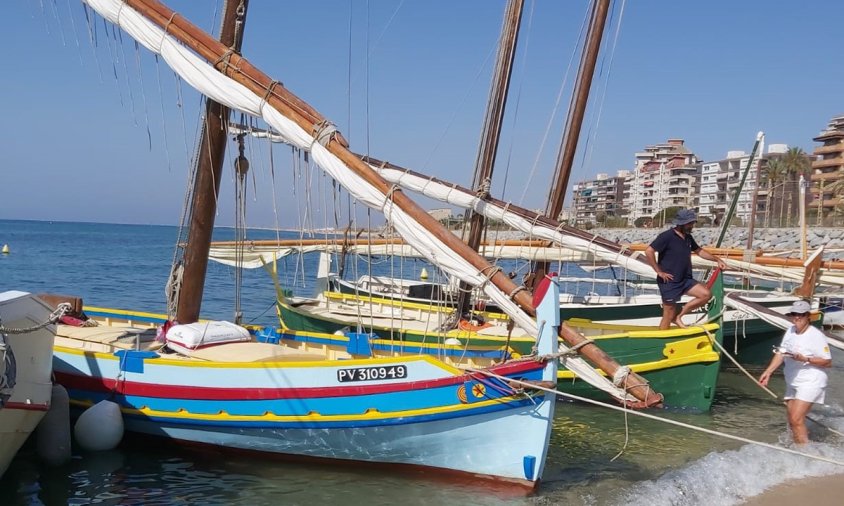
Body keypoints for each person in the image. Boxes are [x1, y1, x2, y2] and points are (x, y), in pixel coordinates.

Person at [759, 300, 832, 444]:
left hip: (811, 381)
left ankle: (806, 453)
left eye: (801, 315)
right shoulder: (790, 331)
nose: (797, 317)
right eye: (794, 314)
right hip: (792, 381)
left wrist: (806, 359)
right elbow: (781, 353)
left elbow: (828, 362)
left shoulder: (816, 336)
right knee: (792, 421)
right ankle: (802, 446)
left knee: (796, 419)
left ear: (808, 316)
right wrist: (768, 372)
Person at [644, 209, 727, 329]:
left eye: (692, 223)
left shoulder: (688, 237)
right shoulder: (667, 236)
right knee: (668, 313)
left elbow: (699, 251)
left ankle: (679, 316)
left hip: (685, 279)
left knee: (705, 294)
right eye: (690, 223)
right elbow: (649, 251)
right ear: (681, 223)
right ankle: (662, 340)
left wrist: (717, 260)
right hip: (669, 281)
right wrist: (659, 272)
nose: (692, 225)